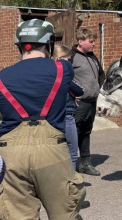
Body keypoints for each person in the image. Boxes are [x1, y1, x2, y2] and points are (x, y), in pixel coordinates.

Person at [0, 19, 86, 219]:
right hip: (52, 151)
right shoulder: (62, 69)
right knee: (65, 214)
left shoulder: (2, 76)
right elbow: (78, 91)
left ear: (19, 45)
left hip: (10, 154)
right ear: (49, 44)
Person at [71, 28, 105, 176]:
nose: (93, 44)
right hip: (79, 103)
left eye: (94, 41)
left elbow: (101, 75)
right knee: (74, 133)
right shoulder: (71, 57)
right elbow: (65, 78)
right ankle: (70, 166)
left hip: (92, 101)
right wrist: (72, 97)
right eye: (91, 41)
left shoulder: (92, 57)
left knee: (86, 132)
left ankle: (85, 164)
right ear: (80, 41)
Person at [52, 44, 84, 171]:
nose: (69, 62)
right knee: (72, 151)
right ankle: (71, 181)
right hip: (66, 114)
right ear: (60, 57)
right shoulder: (63, 74)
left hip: (51, 116)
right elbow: (79, 90)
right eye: (68, 59)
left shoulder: (46, 75)